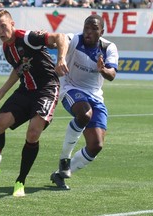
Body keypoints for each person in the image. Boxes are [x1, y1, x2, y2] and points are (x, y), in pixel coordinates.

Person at [0, 9, 69, 197]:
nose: (0, 31)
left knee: (33, 133)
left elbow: (60, 36)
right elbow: (18, 69)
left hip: (46, 89)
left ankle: (20, 180)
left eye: (3, 26)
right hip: (26, 90)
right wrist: (2, 90)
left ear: (12, 23)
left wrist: (61, 58)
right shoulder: (7, 47)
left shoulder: (28, 38)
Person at [50, 14, 119, 190]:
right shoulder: (75, 40)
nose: (88, 32)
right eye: (86, 28)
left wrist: (102, 69)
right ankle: (64, 158)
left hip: (95, 95)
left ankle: (60, 173)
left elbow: (111, 75)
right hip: (70, 89)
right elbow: (62, 39)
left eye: (93, 29)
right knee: (84, 113)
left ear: (101, 31)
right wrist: (61, 58)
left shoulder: (109, 47)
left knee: (96, 145)